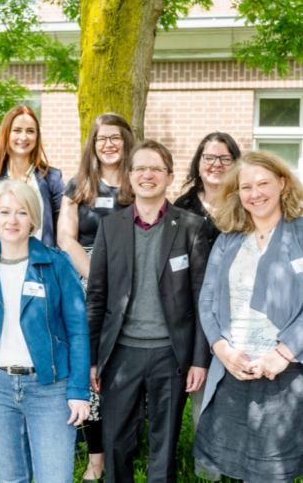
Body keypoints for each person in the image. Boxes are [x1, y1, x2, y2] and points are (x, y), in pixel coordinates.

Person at [87, 140, 211, 483]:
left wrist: (199, 360)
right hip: (120, 354)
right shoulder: (110, 227)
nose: (148, 175)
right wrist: (92, 359)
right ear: (129, 177)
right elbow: (96, 296)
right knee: (115, 442)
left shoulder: (190, 227)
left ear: (170, 177)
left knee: (164, 443)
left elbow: (202, 299)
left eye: (156, 168)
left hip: (170, 354)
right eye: (140, 168)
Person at [0, 180, 91, 483]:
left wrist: (79, 390)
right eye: (4, 212)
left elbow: (79, 332)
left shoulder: (57, 264)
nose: (12, 220)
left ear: (32, 218)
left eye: (21, 212)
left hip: (51, 388)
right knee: (10, 478)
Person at [193, 151, 303, 483]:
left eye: (263, 183)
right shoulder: (229, 238)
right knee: (235, 467)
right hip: (234, 369)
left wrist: (284, 352)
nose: (255, 194)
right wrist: (222, 349)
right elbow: (208, 298)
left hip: (286, 372)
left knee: (273, 471)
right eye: (245, 187)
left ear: (282, 183)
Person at [57, 113, 135, 482]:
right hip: (87, 285)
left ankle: (127, 451)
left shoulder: (138, 183)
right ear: (93, 143)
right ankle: (96, 458)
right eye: (102, 138)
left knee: (124, 371)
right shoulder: (79, 185)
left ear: (127, 141)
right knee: (90, 374)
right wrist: (97, 276)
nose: (108, 144)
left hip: (133, 286)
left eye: (116, 137)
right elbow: (65, 239)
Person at [173, 131, 241, 481]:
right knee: (198, 387)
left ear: (235, 164)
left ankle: (238, 460)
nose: (216, 165)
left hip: (237, 313)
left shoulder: (245, 204)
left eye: (224, 158)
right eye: (208, 158)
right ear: (198, 163)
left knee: (234, 390)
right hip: (191, 314)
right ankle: (206, 471)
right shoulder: (181, 208)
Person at [0, 105, 64, 247]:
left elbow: (61, 229)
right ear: (6, 134)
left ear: (37, 136)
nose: (23, 137)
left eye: (30, 131)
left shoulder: (52, 178)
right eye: (17, 130)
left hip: (43, 263)